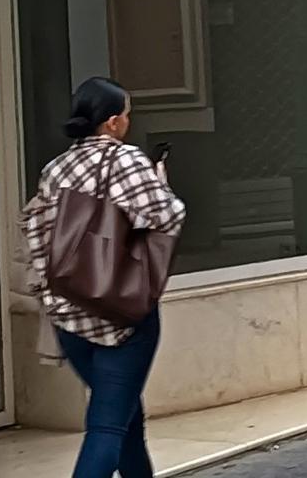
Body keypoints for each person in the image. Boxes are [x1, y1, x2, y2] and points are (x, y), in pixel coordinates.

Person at [23, 77, 185, 478]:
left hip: (70, 314)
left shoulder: (55, 168)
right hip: (122, 314)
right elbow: (167, 216)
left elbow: (36, 232)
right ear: (113, 122)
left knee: (126, 419)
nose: (128, 122)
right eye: (127, 115)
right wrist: (160, 184)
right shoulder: (127, 160)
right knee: (107, 427)